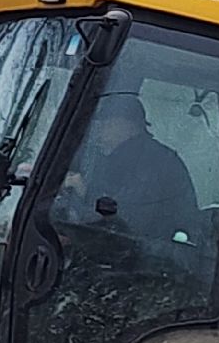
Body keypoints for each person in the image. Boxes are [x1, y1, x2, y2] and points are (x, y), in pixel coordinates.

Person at [54, 90, 200, 245]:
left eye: (106, 124)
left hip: (148, 257)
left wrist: (85, 192)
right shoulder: (114, 158)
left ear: (128, 124)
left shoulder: (153, 163)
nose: (99, 131)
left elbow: (129, 223)